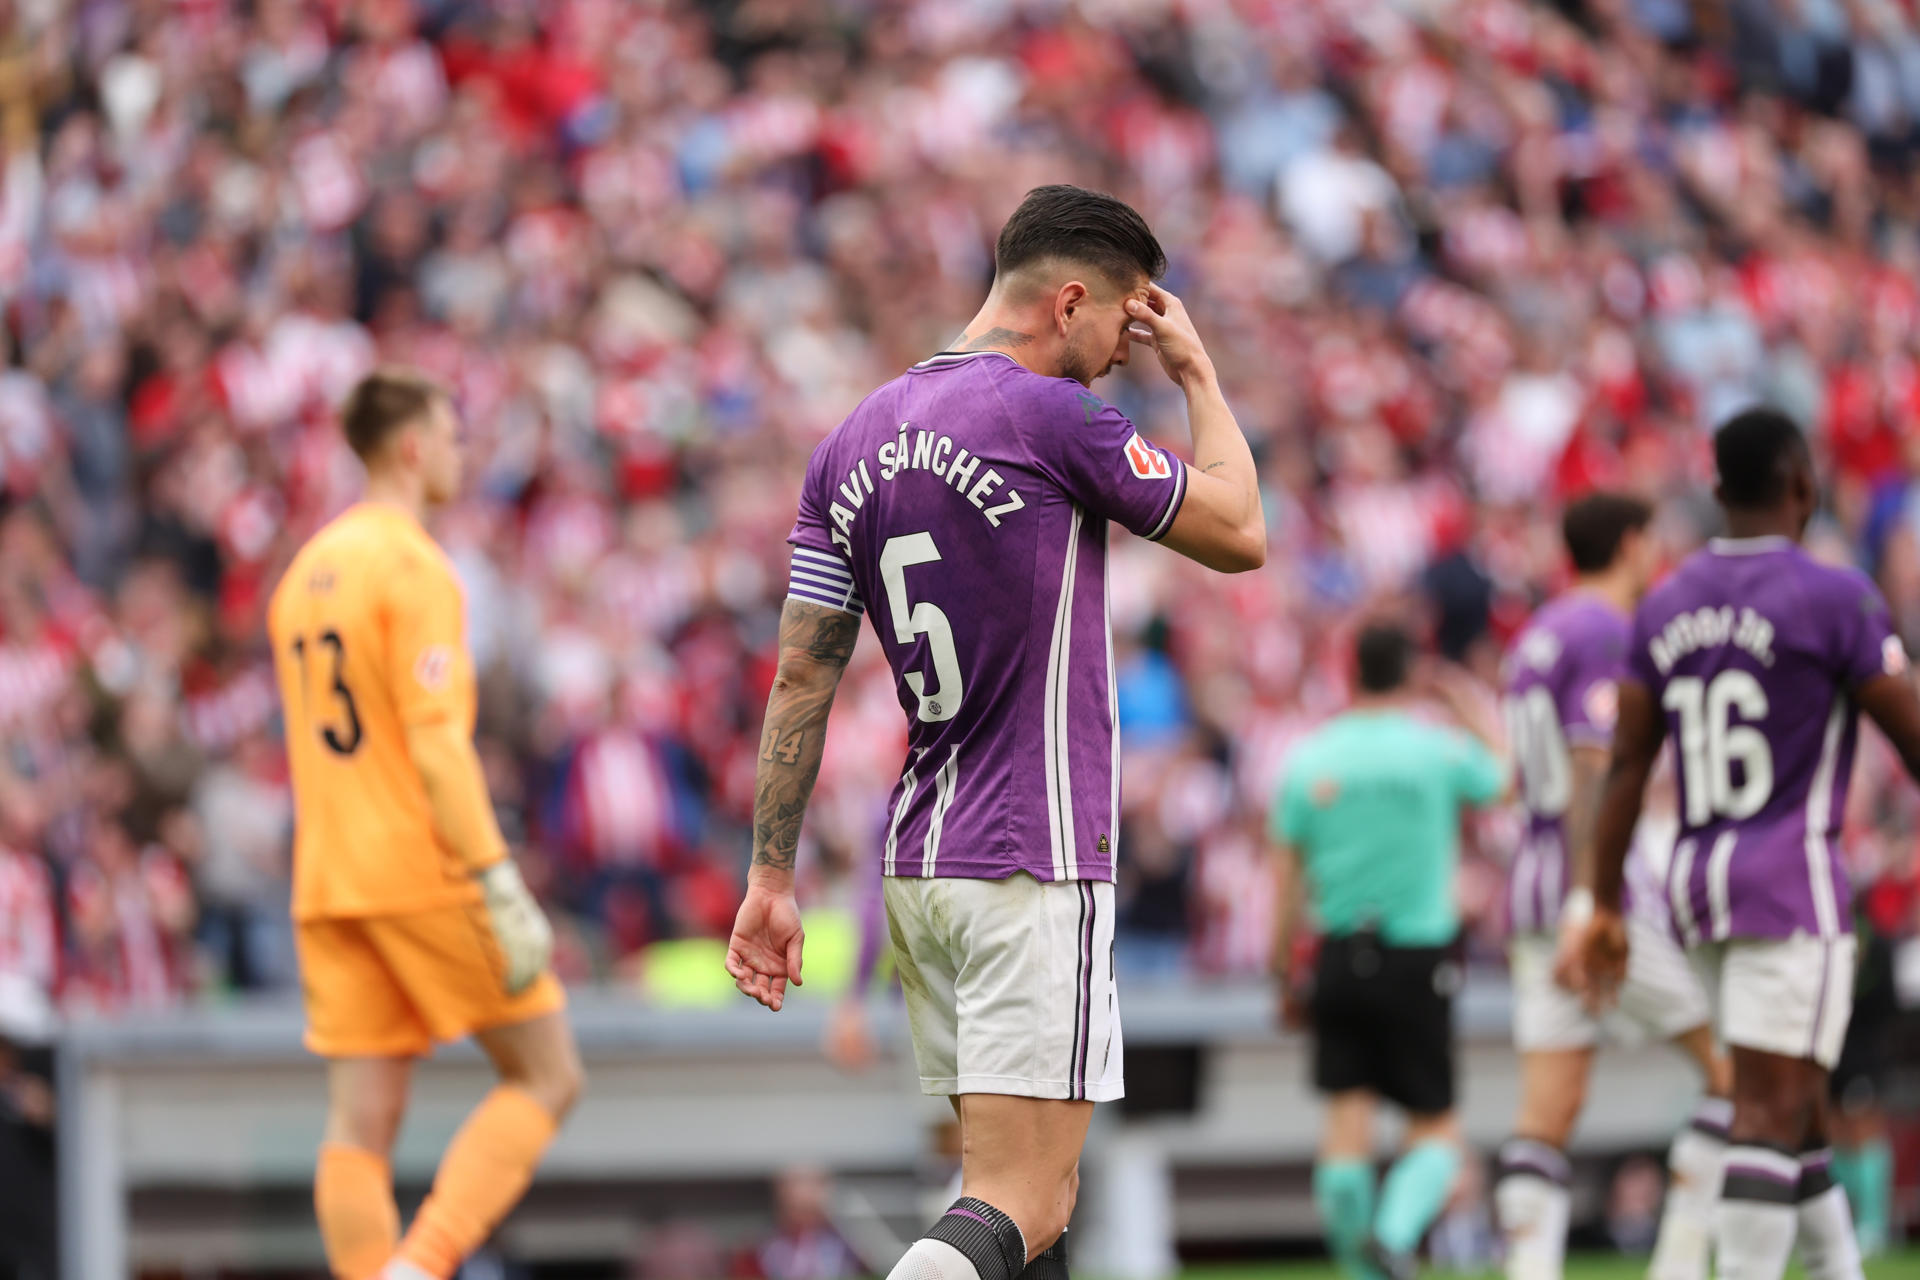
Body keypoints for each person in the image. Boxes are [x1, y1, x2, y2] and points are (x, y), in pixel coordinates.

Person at [725, 183, 1264, 1280]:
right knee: (1017, 1197)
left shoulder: (848, 444)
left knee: (1036, 1209)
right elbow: (1242, 529)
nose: (1126, 349)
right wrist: (1199, 372)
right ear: (1070, 300)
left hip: (924, 864)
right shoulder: (1048, 415)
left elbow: (800, 675)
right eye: (1123, 318)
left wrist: (769, 873)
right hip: (1032, 852)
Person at [1575, 406, 1920, 1280]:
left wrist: (1603, 901)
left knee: (1793, 1105)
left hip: (1700, 889)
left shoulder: (1665, 603)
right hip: (1790, 884)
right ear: (1804, 485)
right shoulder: (1836, 596)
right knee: (1766, 1109)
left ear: (1718, 489)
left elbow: (1625, 770)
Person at [269, 368, 584, 1280]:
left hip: (329, 876)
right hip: (418, 865)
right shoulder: (414, 566)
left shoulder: (303, 574)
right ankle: (423, 1264)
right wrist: (497, 876)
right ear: (412, 446)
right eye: (451, 435)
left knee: (359, 1127)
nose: (460, 451)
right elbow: (438, 745)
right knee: (548, 1073)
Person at [1494, 492, 1733, 1280]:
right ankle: (1679, 1262)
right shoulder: (1603, 630)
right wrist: (1588, 903)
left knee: (1548, 1113)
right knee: (1736, 1073)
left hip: (1532, 889)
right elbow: (1593, 767)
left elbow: (1523, 776)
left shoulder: (1537, 634)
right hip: (1594, 894)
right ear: (1632, 544)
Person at [1269, 623, 1508, 1280]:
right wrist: (1468, 704)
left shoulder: (1312, 756)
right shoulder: (1435, 749)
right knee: (1435, 1129)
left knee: (1346, 1126)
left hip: (1339, 956)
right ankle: (1396, 1236)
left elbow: (1286, 881)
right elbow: (1505, 783)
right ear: (1410, 675)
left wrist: (1281, 975)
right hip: (1417, 958)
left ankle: (1363, 1270)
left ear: (1351, 675)